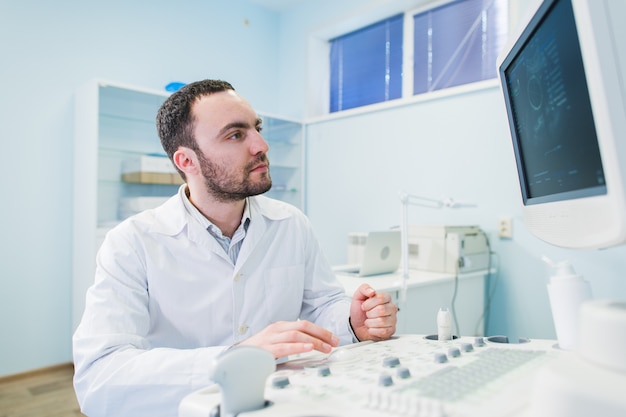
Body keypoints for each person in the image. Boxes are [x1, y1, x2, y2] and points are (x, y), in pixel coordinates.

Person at [72, 79, 398, 417]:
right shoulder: (131, 242)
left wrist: (351, 321)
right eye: (235, 135)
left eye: (256, 128)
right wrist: (234, 357)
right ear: (187, 162)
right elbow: (101, 377)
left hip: (276, 403)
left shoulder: (291, 223)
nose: (261, 144)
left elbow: (321, 304)